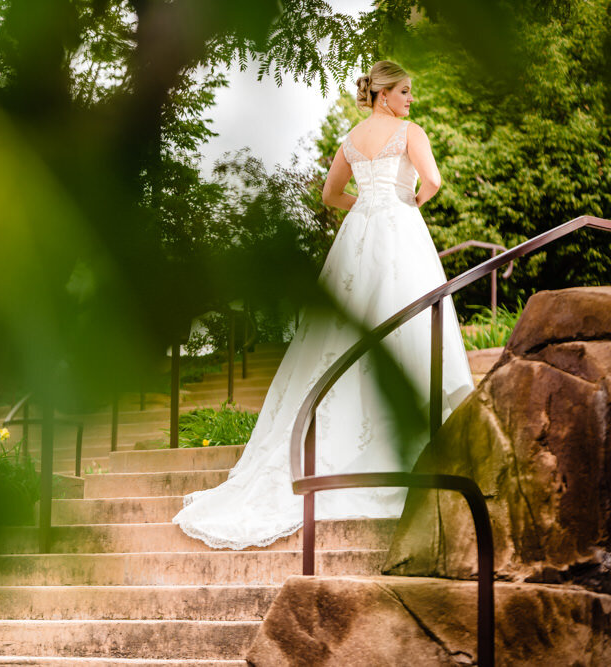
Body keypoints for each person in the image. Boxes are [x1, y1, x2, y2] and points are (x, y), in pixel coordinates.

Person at [172, 61, 475, 550]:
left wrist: (365, 206)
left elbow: (330, 193)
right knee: (406, 323)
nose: (410, 100)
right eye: (404, 91)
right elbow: (433, 181)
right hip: (400, 232)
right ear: (383, 95)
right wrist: (407, 204)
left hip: (358, 237)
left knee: (344, 334)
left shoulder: (352, 141)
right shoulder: (409, 132)